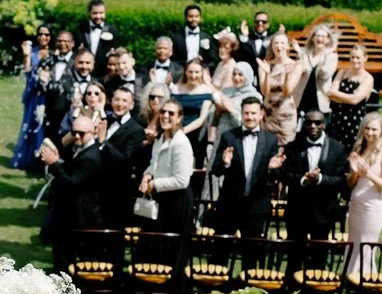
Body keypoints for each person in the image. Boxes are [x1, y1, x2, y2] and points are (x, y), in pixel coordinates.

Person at [38, 112, 104, 264]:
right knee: (63, 254)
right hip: (71, 213)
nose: (77, 136)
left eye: (82, 133)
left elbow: (72, 183)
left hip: (80, 216)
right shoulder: (80, 149)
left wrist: (54, 164)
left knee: (71, 257)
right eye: (74, 132)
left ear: (93, 132)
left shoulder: (91, 157)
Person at [211, 95, 280, 239]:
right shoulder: (228, 137)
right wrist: (225, 163)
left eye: (253, 113)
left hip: (256, 206)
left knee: (251, 255)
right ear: (241, 114)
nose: (249, 117)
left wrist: (271, 168)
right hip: (229, 205)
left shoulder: (271, 140)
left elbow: (275, 177)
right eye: (246, 113)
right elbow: (216, 170)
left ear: (261, 115)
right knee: (220, 253)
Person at [277, 110, 349, 243]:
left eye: (317, 123)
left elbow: (341, 180)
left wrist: (320, 179)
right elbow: (284, 174)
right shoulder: (293, 147)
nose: (313, 126)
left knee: (318, 258)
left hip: (324, 211)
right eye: (309, 123)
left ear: (324, 124)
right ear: (304, 125)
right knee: (295, 259)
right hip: (297, 211)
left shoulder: (337, 148)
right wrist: (303, 179)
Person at [344, 111, 382, 277]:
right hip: (356, 206)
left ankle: (364, 287)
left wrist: (369, 175)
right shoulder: (360, 151)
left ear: (381, 131)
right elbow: (351, 184)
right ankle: (350, 279)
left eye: (374, 129)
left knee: (366, 247)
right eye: (367, 129)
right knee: (353, 243)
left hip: (372, 207)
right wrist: (353, 172)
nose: (370, 133)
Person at [140, 99, 194, 239]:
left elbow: (182, 180)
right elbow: (154, 164)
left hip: (177, 201)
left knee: (171, 249)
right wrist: (147, 175)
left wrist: (154, 184)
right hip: (162, 198)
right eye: (163, 112)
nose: (165, 116)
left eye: (171, 113)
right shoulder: (160, 138)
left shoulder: (180, 142)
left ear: (179, 118)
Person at [97, 85, 148, 229]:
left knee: (113, 228)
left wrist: (103, 142)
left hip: (117, 187)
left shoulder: (136, 130)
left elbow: (125, 159)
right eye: (117, 100)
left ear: (131, 105)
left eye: (125, 101)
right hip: (98, 182)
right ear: (111, 101)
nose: (120, 104)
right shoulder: (106, 121)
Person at [10, 26, 54, 170]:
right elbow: (27, 70)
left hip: (47, 94)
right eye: (40, 34)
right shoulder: (33, 52)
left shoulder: (54, 53)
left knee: (44, 125)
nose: (43, 37)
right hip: (33, 93)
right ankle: (29, 158)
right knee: (31, 124)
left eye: (46, 35)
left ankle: (43, 158)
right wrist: (26, 55)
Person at [326, 43, 376, 146]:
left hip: (354, 122)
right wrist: (348, 98)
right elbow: (330, 95)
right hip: (336, 119)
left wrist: (336, 94)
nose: (354, 60)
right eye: (352, 57)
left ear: (365, 58)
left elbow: (355, 100)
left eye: (358, 57)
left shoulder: (368, 78)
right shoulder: (342, 73)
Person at [260, 30, 301, 143]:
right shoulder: (265, 64)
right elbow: (265, 92)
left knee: (286, 148)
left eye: (283, 43)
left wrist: (287, 75)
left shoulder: (295, 65)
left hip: (286, 112)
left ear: (288, 46)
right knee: (267, 146)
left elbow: (287, 91)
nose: (279, 46)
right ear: (272, 46)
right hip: (268, 112)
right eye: (276, 43)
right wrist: (268, 73)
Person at [296, 23, 339, 119]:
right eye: (317, 35)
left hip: (320, 100)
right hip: (302, 98)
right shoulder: (304, 54)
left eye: (323, 36)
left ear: (328, 40)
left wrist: (326, 56)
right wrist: (299, 55)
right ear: (312, 38)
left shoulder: (332, 57)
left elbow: (324, 75)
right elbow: (300, 71)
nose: (320, 38)